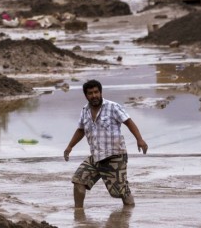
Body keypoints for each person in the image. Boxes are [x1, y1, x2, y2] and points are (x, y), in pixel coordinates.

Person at [63, 79, 148, 208]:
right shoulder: (85, 111)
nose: (94, 95)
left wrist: (140, 139)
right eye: (90, 93)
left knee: (119, 192)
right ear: (86, 95)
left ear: (101, 92)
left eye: (96, 92)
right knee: (78, 180)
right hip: (96, 156)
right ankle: (78, 213)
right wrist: (69, 147)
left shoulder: (112, 107)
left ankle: (128, 213)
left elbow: (129, 122)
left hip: (114, 155)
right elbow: (81, 130)